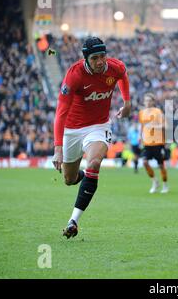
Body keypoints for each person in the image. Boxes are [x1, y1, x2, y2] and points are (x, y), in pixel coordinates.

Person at [52, 37, 131, 239]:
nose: (100, 62)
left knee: (94, 163)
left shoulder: (115, 67)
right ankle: (82, 176)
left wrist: (127, 101)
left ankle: (73, 221)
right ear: (86, 58)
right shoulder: (74, 75)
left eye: (103, 56)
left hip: (99, 126)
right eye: (95, 58)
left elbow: (123, 76)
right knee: (69, 180)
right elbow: (60, 112)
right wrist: (58, 148)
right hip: (72, 130)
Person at [139, 93, 169, 193]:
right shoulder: (141, 113)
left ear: (153, 102)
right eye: (146, 100)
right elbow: (142, 127)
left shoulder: (158, 112)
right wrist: (140, 138)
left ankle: (165, 185)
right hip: (146, 143)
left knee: (161, 165)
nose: (147, 102)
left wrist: (154, 127)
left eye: (149, 100)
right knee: (144, 162)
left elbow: (165, 126)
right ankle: (155, 181)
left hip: (158, 143)